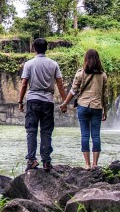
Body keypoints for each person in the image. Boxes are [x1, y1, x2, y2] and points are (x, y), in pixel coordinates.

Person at [18, 38, 67, 172]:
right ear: (46, 48)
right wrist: (64, 102)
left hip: (32, 100)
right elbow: (60, 84)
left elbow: (24, 84)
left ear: (34, 48)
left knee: (31, 131)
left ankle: (32, 160)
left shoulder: (29, 64)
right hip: (48, 101)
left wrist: (20, 101)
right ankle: (46, 162)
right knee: (46, 131)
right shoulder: (53, 64)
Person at [61, 49, 108, 170]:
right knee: (96, 136)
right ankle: (95, 164)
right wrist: (105, 110)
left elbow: (73, 90)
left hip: (83, 106)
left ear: (86, 59)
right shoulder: (102, 75)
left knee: (85, 135)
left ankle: (87, 164)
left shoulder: (80, 73)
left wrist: (65, 103)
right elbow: (105, 95)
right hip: (97, 107)